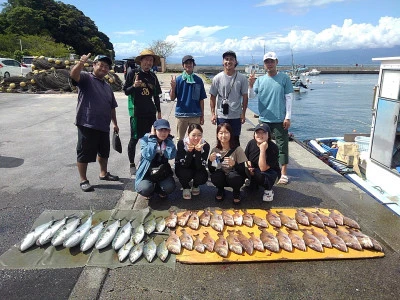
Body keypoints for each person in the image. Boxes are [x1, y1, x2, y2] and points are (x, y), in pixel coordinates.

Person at [70, 53, 119, 192]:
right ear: (94, 65)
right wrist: (80, 63)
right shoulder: (86, 77)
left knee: (104, 152)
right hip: (87, 123)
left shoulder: (107, 86)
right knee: (84, 153)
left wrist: (115, 123)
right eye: (101, 65)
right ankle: (83, 180)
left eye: (106, 67)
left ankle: (103, 173)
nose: (104, 68)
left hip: (104, 124)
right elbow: (73, 75)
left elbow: (112, 107)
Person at [248, 51, 294, 184]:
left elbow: (289, 98)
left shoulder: (284, 78)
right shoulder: (260, 80)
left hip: (280, 119)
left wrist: (288, 117)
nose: (269, 64)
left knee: (282, 146)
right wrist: (250, 84)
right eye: (267, 61)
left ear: (276, 62)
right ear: (264, 64)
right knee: (262, 145)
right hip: (264, 119)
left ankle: (283, 172)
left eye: (272, 61)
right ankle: (264, 167)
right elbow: (251, 96)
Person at [123, 49, 162, 176]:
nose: (148, 63)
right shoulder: (133, 73)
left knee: (151, 139)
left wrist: (159, 112)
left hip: (150, 113)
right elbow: (126, 91)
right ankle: (132, 164)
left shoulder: (153, 76)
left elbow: (156, 96)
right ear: (141, 61)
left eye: (151, 60)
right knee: (134, 139)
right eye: (146, 60)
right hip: (136, 113)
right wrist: (134, 86)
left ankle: (149, 161)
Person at [209, 50, 249, 145]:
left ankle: (235, 159)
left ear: (235, 62)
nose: (228, 62)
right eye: (226, 59)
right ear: (223, 62)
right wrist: (213, 114)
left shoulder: (242, 78)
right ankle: (221, 159)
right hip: (222, 115)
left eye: (231, 59)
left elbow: (245, 97)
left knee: (235, 140)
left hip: (236, 115)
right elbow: (212, 96)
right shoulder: (217, 78)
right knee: (221, 139)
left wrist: (243, 113)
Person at [135, 119, 176, 199]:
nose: (163, 133)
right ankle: (150, 191)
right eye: (160, 130)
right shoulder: (145, 139)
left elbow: (170, 155)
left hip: (162, 171)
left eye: (166, 130)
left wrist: (169, 141)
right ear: (154, 130)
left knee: (169, 188)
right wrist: (153, 138)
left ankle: (159, 189)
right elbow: (148, 155)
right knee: (145, 189)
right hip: (147, 172)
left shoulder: (168, 140)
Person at [208, 123, 247, 204]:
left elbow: (243, 170)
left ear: (231, 134)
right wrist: (210, 161)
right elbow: (212, 170)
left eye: (226, 132)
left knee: (233, 176)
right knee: (216, 176)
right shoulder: (215, 150)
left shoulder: (237, 149)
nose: (223, 135)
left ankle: (236, 191)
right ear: (217, 135)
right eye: (221, 133)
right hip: (222, 175)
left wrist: (234, 164)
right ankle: (220, 189)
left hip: (233, 176)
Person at [170, 55, 207, 141]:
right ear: (183, 65)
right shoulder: (178, 80)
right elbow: (172, 98)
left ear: (194, 64)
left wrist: (202, 115)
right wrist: (173, 87)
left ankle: (193, 154)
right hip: (181, 115)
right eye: (186, 63)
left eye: (190, 63)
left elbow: (201, 99)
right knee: (180, 139)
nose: (188, 65)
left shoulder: (198, 80)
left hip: (195, 115)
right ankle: (180, 154)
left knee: (195, 139)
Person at [244, 123, 281, 202]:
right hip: (255, 169)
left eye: (263, 133)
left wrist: (262, 150)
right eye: (258, 133)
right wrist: (249, 166)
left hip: (269, 172)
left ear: (268, 135)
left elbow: (263, 168)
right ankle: (253, 182)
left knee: (259, 172)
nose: (260, 135)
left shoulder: (273, 147)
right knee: (243, 168)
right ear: (254, 134)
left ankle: (269, 190)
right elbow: (246, 157)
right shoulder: (251, 143)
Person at [175, 123, 210, 200]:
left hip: (197, 168)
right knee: (183, 173)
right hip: (184, 168)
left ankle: (196, 185)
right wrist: (189, 152)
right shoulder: (181, 143)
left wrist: (198, 152)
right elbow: (184, 165)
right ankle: (185, 187)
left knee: (202, 176)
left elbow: (200, 166)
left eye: (199, 135)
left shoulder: (205, 145)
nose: (196, 138)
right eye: (193, 135)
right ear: (188, 134)